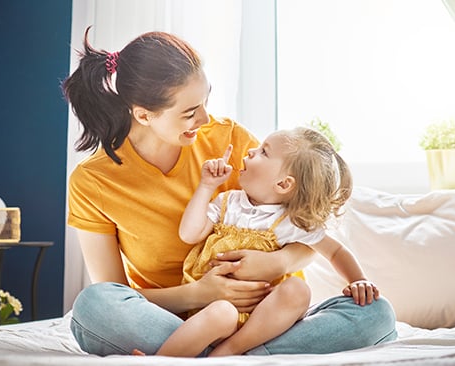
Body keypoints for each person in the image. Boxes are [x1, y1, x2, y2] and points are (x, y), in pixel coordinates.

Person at [62, 26, 397, 357]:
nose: (206, 118)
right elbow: (116, 293)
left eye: (205, 101)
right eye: (190, 112)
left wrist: (274, 262)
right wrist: (198, 294)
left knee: (375, 313)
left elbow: (304, 225)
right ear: (144, 115)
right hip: (174, 320)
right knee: (94, 306)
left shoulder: (231, 140)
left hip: (269, 318)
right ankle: (245, 355)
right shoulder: (93, 182)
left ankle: (199, 355)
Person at [144, 126, 380, 357]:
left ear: (283, 184)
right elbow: (189, 234)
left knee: (298, 290)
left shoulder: (291, 222)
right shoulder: (228, 203)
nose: (250, 152)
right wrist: (206, 187)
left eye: (263, 152)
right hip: (214, 309)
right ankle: (163, 361)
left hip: (260, 319)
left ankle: (229, 351)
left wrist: (358, 280)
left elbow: (335, 251)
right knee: (222, 312)